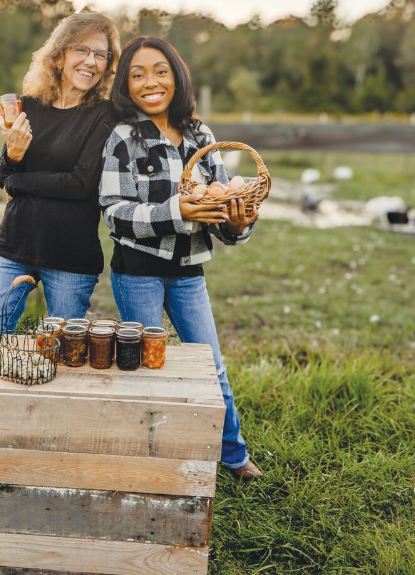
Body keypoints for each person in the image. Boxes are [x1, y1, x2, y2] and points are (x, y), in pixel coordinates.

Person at [0, 12, 121, 498]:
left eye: (101, 54)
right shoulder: (29, 106)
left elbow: (82, 185)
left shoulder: (102, 116)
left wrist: (19, 178)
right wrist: (12, 161)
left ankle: (52, 465)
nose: (91, 60)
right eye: (82, 49)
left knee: (62, 361)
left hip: (70, 254)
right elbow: (4, 174)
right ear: (60, 53)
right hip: (15, 247)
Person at [99, 36, 263, 480]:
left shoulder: (200, 134)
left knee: (212, 366)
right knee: (145, 368)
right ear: (126, 86)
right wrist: (177, 210)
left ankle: (233, 454)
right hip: (137, 271)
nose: (149, 82)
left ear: (177, 77)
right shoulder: (123, 138)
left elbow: (223, 202)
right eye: (137, 74)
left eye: (160, 71)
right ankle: (149, 459)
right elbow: (114, 212)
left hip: (189, 272)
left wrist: (235, 220)